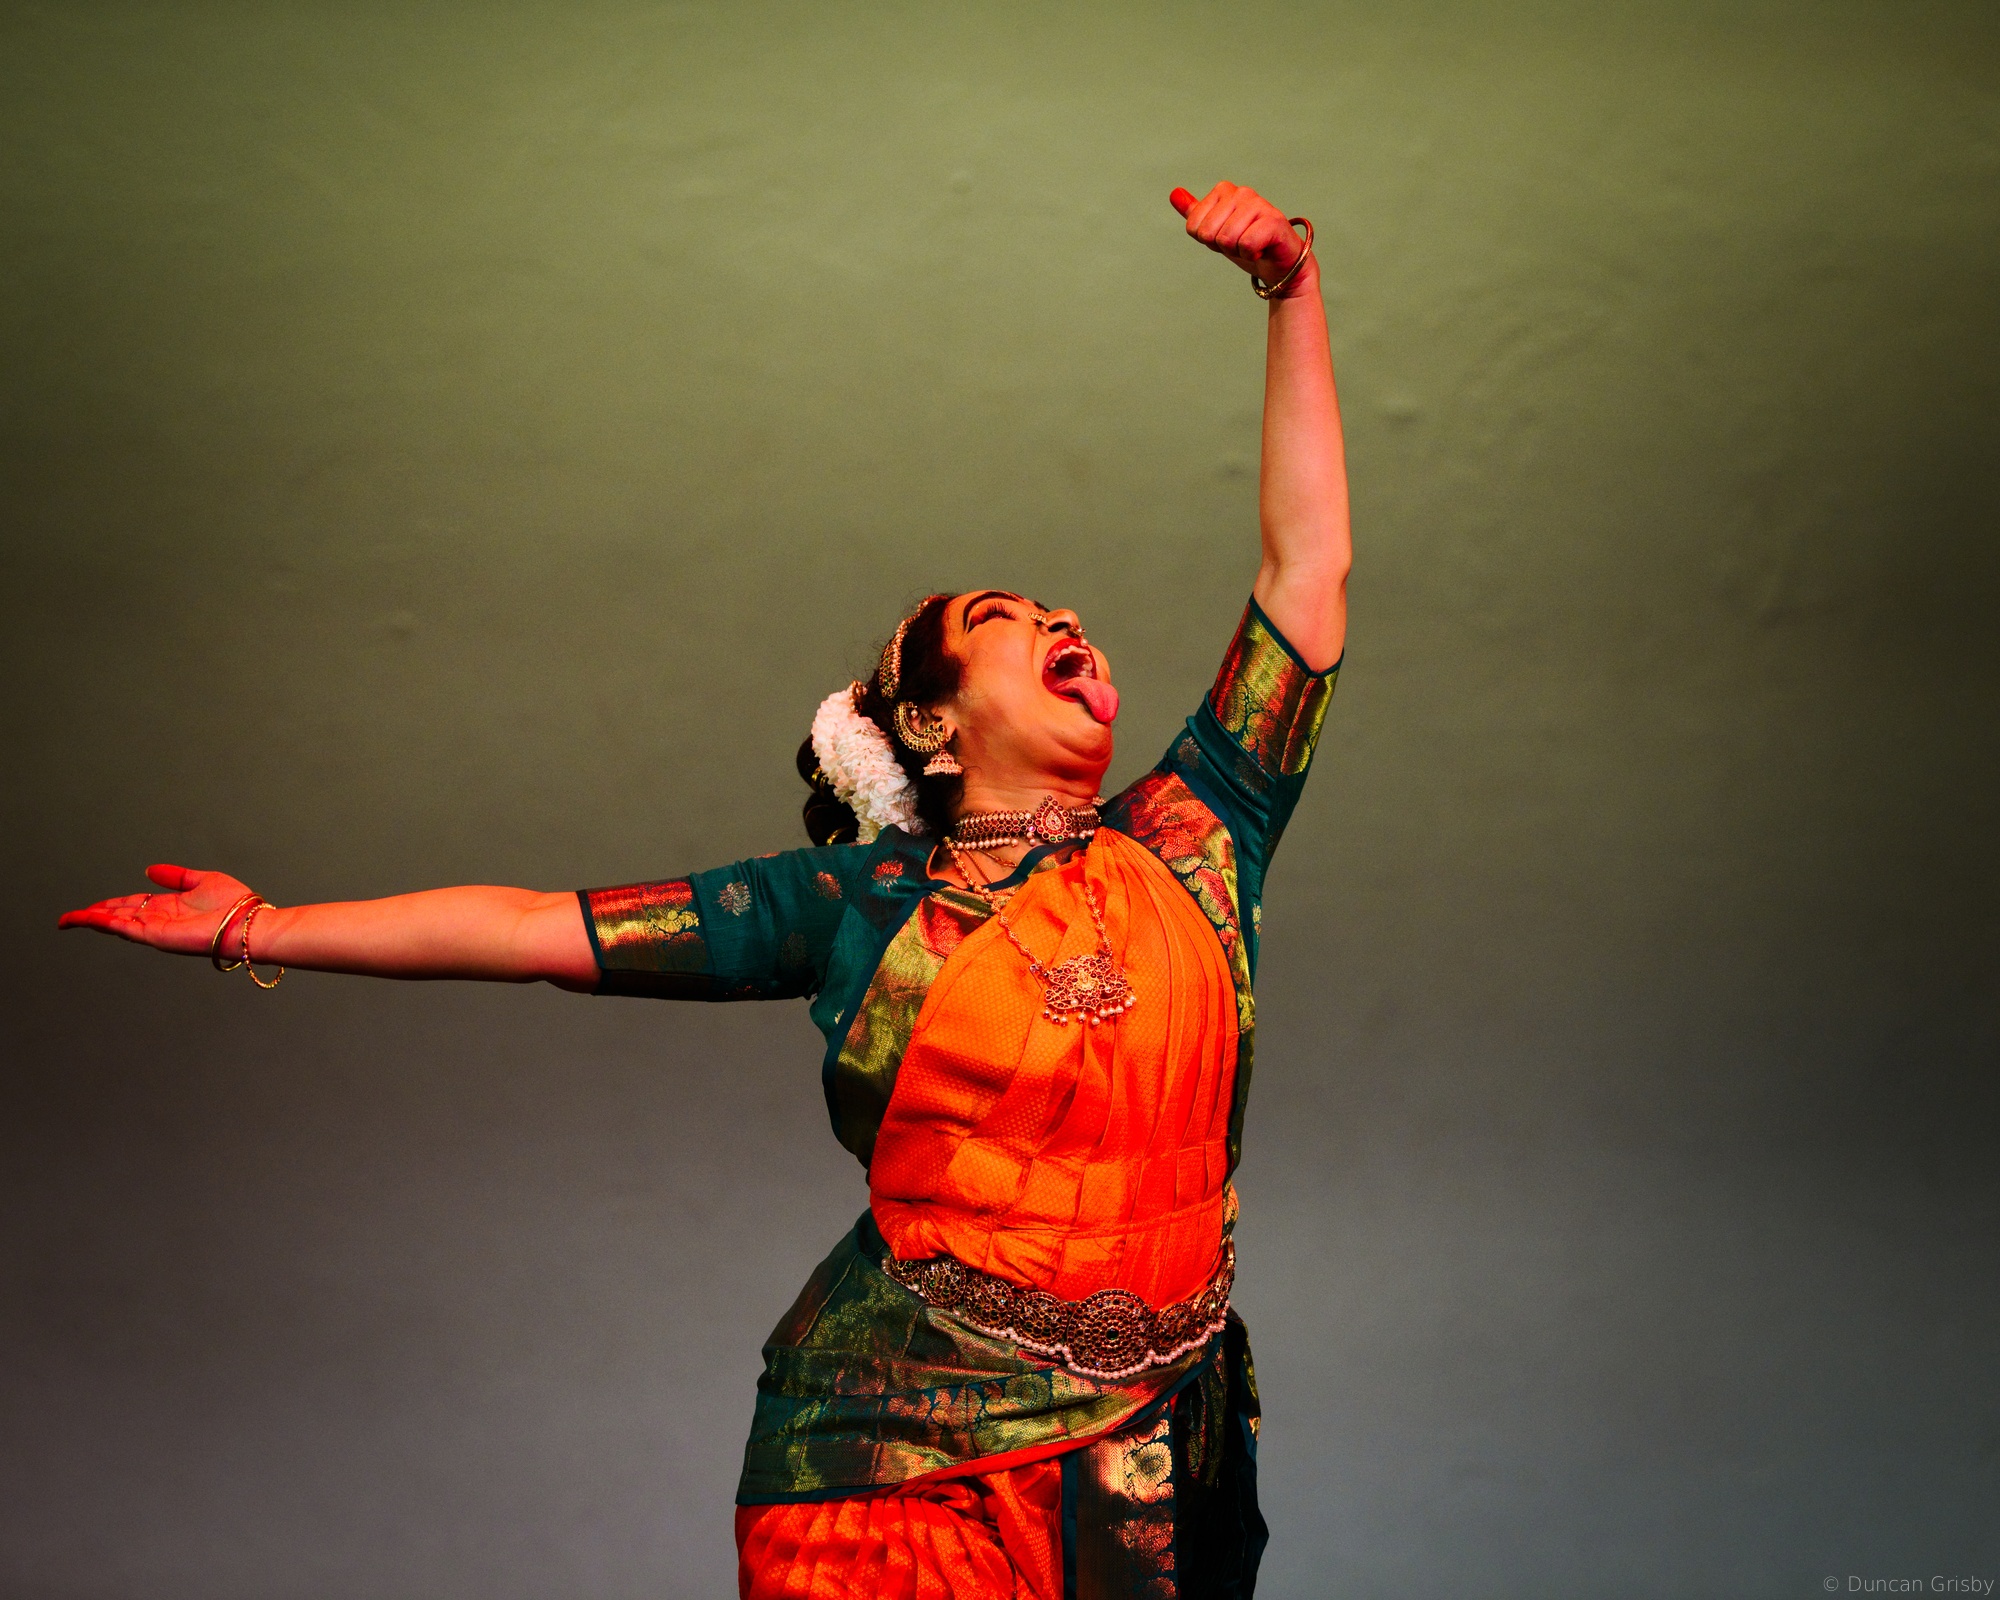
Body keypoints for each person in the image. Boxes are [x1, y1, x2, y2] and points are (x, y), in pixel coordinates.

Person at [60, 180, 1351, 1600]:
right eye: (1010, 620)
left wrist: (1289, 292)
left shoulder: (1196, 837)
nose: (1065, 620)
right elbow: (531, 928)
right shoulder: (855, 905)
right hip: (892, 1456)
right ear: (934, 724)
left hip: (1149, 1457)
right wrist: (257, 925)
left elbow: (1307, 570)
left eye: (1062, 613)